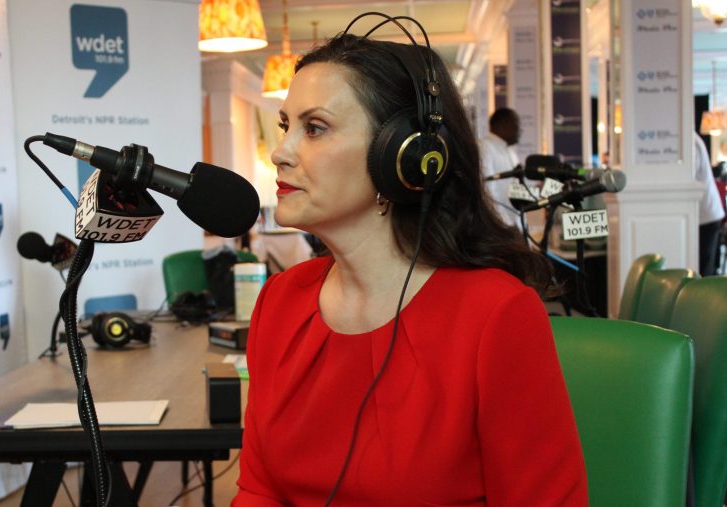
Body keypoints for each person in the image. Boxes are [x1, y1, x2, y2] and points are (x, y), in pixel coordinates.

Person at [233, 16, 587, 507]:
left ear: (405, 156)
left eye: (315, 128)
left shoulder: (497, 316)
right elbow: (258, 491)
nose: (281, 152)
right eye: (286, 125)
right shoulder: (280, 300)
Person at [480, 107, 523, 227]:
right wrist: (504, 223)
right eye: (516, 126)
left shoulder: (511, 152)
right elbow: (487, 191)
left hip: (516, 223)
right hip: (499, 226)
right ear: (503, 125)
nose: (520, 131)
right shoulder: (485, 147)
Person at [693, 131, 725, 276]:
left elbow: (688, 175)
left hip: (706, 213)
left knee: (704, 267)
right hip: (704, 213)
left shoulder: (689, 141)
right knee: (703, 265)